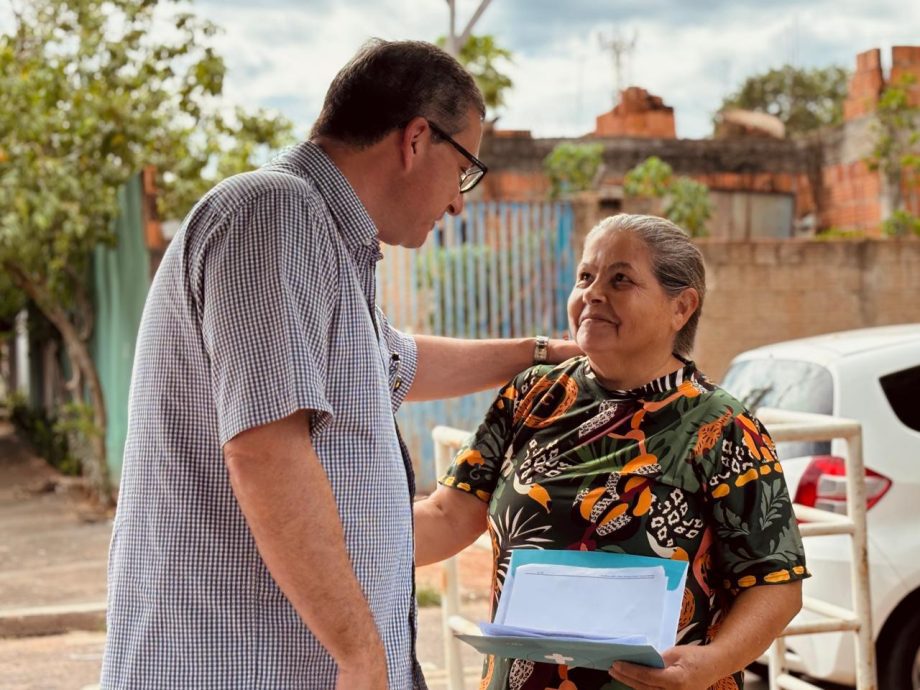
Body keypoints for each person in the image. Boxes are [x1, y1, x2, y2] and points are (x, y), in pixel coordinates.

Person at [101, 39, 579, 690]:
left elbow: (399, 364)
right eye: (464, 169)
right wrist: (358, 653)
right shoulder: (277, 215)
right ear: (415, 141)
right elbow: (266, 452)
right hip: (247, 664)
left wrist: (544, 354)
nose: (460, 202)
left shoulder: (325, 241)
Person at [414, 214, 809, 690]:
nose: (593, 293)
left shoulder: (723, 427)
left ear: (681, 307)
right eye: (585, 276)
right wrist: (328, 542)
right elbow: (446, 516)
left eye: (620, 279)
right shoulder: (531, 397)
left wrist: (712, 662)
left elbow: (776, 582)